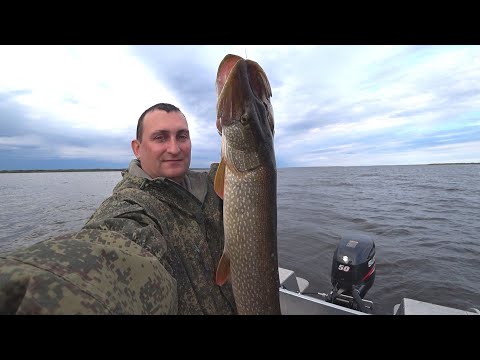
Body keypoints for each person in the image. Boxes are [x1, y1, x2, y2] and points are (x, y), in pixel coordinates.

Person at [0, 103, 237, 315]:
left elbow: (250, 160)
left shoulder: (218, 187)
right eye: (160, 138)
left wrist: (234, 126)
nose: (174, 148)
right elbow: (112, 253)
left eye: (182, 136)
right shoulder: (130, 207)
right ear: (137, 148)